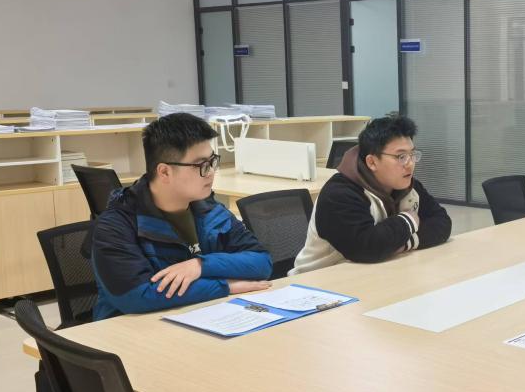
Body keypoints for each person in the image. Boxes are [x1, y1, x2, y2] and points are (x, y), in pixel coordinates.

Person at [91, 113, 272, 321]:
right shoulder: (116, 225)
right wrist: (225, 285)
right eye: (201, 165)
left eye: (212, 161)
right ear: (164, 172)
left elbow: (262, 262)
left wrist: (200, 266)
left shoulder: (210, 209)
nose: (211, 172)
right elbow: (137, 296)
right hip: (129, 331)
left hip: (203, 316)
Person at [291, 115, 451, 274]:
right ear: (372, 162)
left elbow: (442, 222)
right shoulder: (339, 194)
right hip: (319, 280)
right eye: (401, 157)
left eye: (412, 155)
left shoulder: (407, 185)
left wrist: (406, 242)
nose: (410, 164)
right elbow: (366, 247)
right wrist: (409, 220)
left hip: (375, 273)